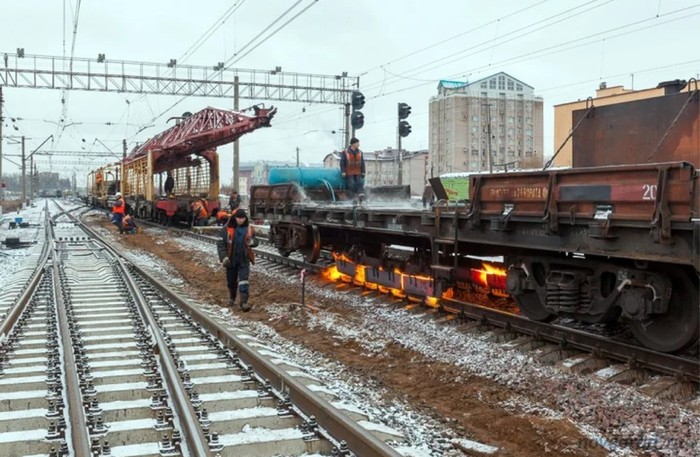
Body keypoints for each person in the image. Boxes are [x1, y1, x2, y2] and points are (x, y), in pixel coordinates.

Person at [217, 208, 259, 311]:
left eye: (243, 218)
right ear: (235, 218)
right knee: (231, 281)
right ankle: (232, 298)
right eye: (239, 218)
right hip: (231, 259)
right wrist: (224, 257)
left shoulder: (249, 229)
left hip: (244, 259)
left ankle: (243, 302)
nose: (241, 220)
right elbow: (221, 244)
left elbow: (256, 241)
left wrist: (252, 242)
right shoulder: (226, 229)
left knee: (244, 280)